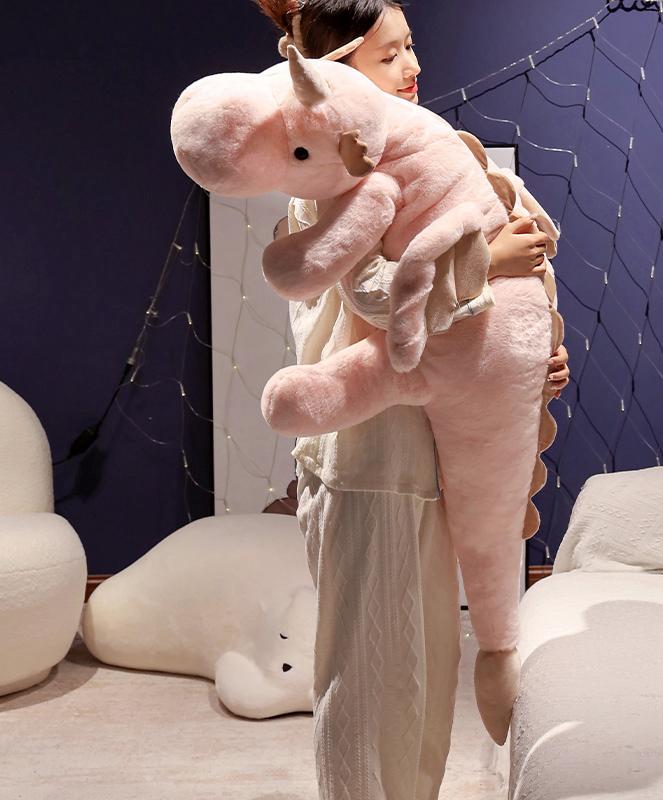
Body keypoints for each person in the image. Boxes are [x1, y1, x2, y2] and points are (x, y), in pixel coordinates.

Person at [258, 1, 570, 798]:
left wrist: (530, 361)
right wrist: (487, 261)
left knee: (426, 676)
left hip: (428, 458)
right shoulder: (327, 178)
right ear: (337, 74)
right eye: (390, 54)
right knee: (370, 685)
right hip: (365, 466)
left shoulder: (420, 156)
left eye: (411, 46)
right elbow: (372, 294)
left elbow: (468, 322)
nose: (413, 67)